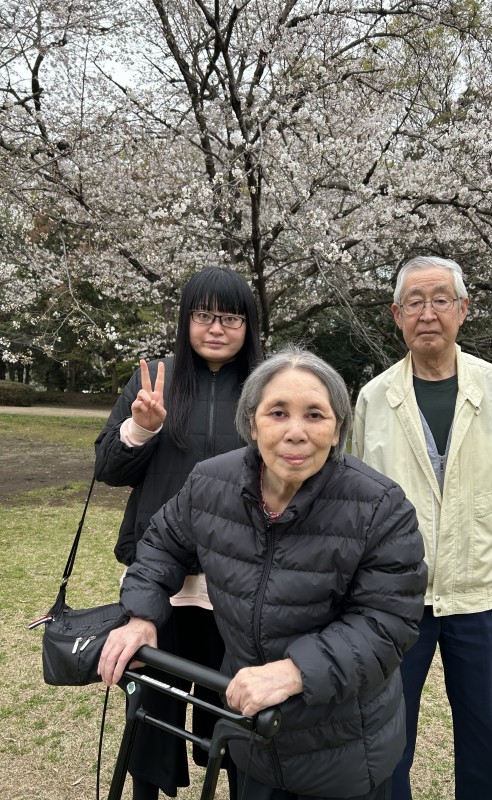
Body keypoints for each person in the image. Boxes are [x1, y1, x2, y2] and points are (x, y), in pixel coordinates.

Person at [98, 346, 428, 800]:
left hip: (344, 748)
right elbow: (160, 544)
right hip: (250, 735)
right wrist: (141, 614)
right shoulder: (210, 482)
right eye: (278, 413)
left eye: (315, 415)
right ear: (252, 423)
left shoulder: (380, 507)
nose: (296, 432)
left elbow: (387, 622)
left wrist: (295, 671)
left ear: (337, 429)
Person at [352, 256, 492, 800]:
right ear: (396, 315)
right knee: (386, 740)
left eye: (441, 300)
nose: (428, 314)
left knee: (488, 735)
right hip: (396, 599)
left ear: (463, 309)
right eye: (415, 303)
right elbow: (359, 495)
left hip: (481, 594)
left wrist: (487, 537)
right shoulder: (373, 397)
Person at [94, 267, 263, 800]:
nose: (216, 328)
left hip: (237, 579)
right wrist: (142, 427)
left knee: (233, 705)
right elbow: (108, 469)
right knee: (152, 706)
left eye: (230, 318)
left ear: (248, 325)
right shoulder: (154, 378)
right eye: (204, 315)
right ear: (186, 320)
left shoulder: (265, 386)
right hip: (160, 577)